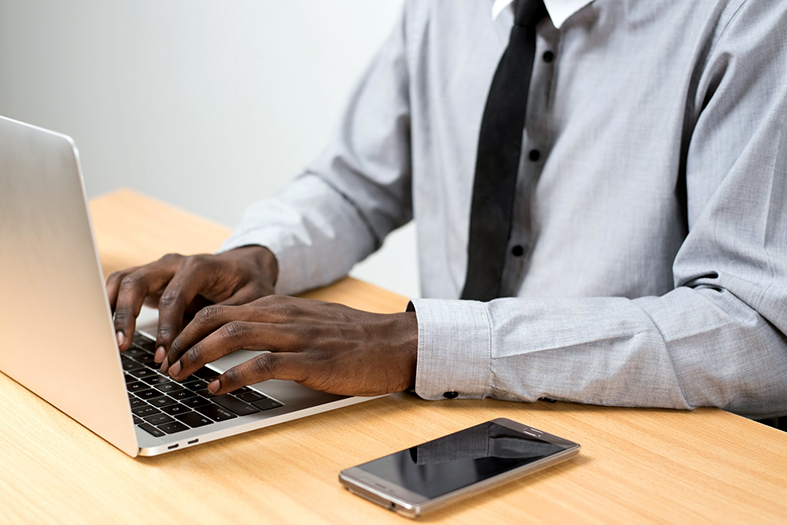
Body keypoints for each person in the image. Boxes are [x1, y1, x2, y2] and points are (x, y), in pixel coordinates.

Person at [107, 0, 787, 421]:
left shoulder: (748, 16)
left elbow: (755, 330)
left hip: (636, 436)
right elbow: (355, 182)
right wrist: (260, 255)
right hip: (443, 413)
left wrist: (413, 343)